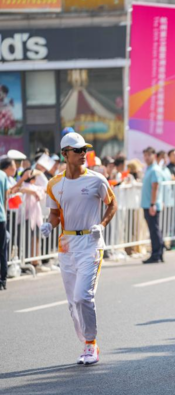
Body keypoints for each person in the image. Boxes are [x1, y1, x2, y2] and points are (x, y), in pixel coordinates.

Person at [41, 132, 117, 365]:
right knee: (73, 302)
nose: (83, 154)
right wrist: (49, 225)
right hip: (66, 244)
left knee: (83, 295)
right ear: (65, 154)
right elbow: (55, 214)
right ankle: (85, 340)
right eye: (78, 150)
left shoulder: (97, 180)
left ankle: (90, 344)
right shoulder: (55, 184)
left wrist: (101, 225)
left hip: (90, 243)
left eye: (85, 149)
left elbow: (112, 203)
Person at [141, 147, 165, 264]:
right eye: (145, 155)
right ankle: (158, 253)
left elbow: (155, 187)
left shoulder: (155, 169)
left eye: (148, 155)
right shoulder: (149, 169)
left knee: (154, 230)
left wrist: (152, 204)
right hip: (148, 203)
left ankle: (156, 253)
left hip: (151, 204)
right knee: (154, 229)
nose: (146, 158)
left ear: (154, 156)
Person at [0, 162, 7, 290]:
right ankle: (3, 280)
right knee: (2, 250)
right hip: (1, 216)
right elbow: (6, 197)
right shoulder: (3, 175)